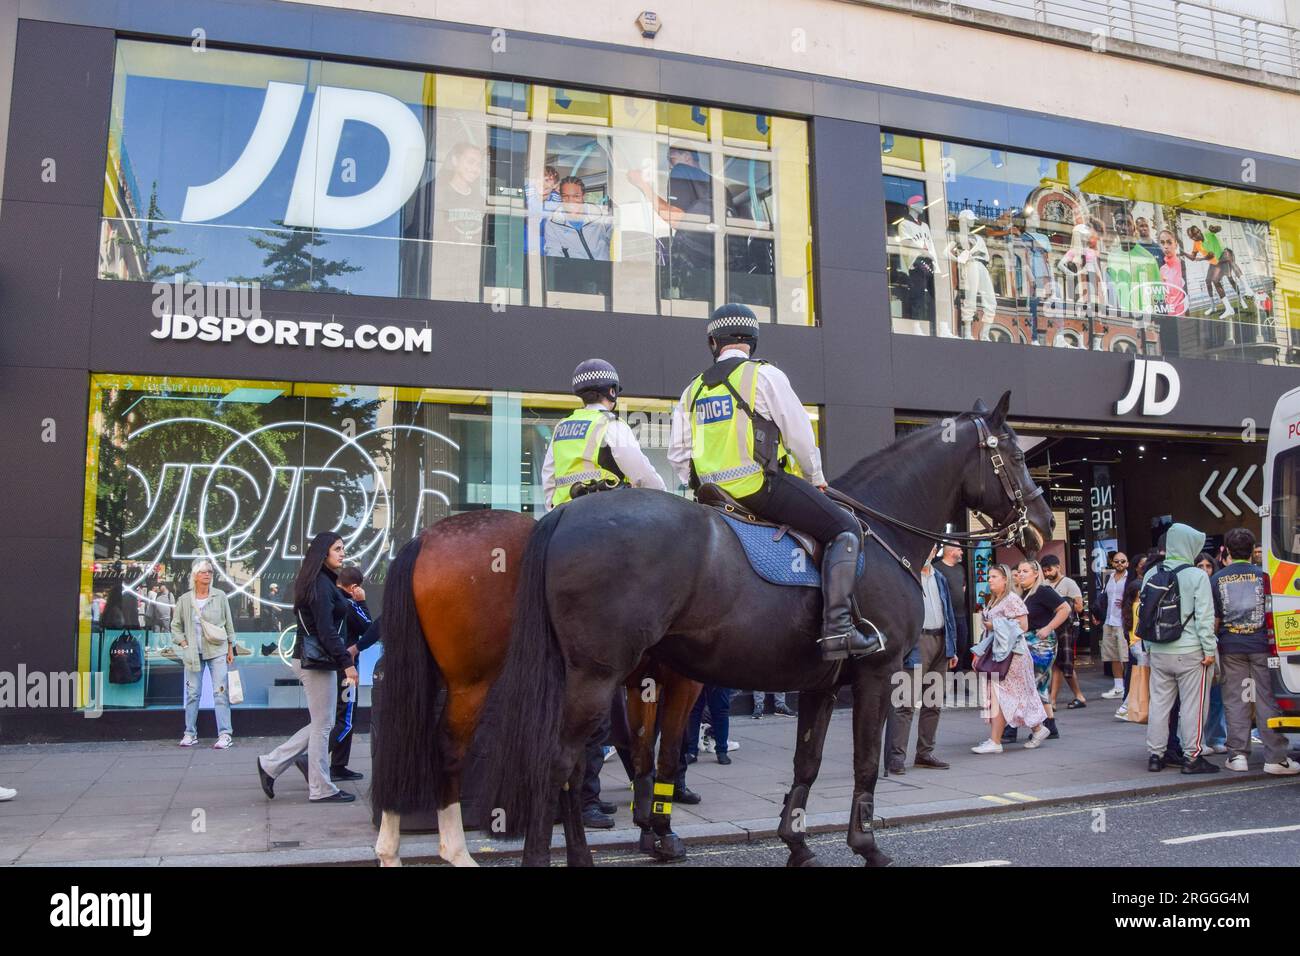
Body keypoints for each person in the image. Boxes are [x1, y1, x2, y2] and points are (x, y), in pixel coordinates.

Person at [668, 303, 884, 661]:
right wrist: (815, 478)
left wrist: (703, 482)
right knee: (844, 528)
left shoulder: (692, 391)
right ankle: (839, 629)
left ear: (713, 343)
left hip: (712, 496)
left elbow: (678, 455)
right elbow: (798, 434)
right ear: (752, 340)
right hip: (759, 489)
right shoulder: (763, 376)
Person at [257, 532, 360, 803]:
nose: (342, 553)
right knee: (324, 726)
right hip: (315, 661)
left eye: (343, 548)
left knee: (321, 724)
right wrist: (347, 664)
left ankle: (271, 764)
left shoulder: (322, 581)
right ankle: (321, 788)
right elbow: (326, 631)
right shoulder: (320, 585)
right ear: (323, 553)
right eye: (337, 549)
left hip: (315, 660)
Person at [1212, 528, 1300, 775]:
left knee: (1235, 700)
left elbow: (1215, 619)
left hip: (1230, 647)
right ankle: (1275, 758)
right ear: (1252, 552)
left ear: (1227, 551)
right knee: (1266, 699)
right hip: (1262, 645)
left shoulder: (1217, 579)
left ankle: (1237, 755)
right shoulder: (1264, 576)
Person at [1143, 522, 1219, 774]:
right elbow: (1205, 618)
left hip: (1159, 650)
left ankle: (1155, 755)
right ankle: (1192, 757)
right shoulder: (1197, 575)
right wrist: (1209, 651)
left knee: (1159, 705)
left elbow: (1144, 615)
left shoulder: (1151, 573)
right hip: (1190, 652)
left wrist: (1148, 648)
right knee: (1193, 707)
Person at [541, 359, 666, 509]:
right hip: (603, 514)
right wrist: (663, 494)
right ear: (612, 391)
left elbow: (549, 476)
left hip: (563, 514)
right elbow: (641, 472)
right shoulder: (610, 424)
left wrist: (553, 510)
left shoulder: (561, 426)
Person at [887, 545, 959, 772]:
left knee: (933, 702)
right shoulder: (907, 575)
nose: (928, 551)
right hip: (916, 642)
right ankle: (896, 757)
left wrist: (952, 648)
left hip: (940, 642)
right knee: (905, 704)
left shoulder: (939, 577)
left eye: (931, 547)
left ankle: (925, 753)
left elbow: (948, 613)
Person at [970, 565, 1050, 753]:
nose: (990, 579)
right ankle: (1035, 729)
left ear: (1005, 579)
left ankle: (996, 741)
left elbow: (1023, 625)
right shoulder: (994, 600)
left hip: (1013, 655)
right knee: (1008, 695)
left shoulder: (1012, 599)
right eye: (989, 576)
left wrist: (995, 625)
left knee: (1004, 694)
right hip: (999, 652)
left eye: (995, 576)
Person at [627, 146, 714, 304]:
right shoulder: (718, 187)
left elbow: (675, 218)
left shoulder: (682, 171)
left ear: (687, 157)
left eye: (671, 159)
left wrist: (643, 185)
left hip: (696, 270)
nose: (669, 167)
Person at [170, 558, 237, 750]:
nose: (207, 574)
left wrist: (231, 647)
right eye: (203, 571)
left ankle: (225, 734)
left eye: (210, 571)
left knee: (220, 692)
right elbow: (175, 625)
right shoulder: (185, 600)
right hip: (193, 652)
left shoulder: (220, 596)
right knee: (192, 693)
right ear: (195, 576)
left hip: (217, 650)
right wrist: (183, 643)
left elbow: (228, 623)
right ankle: (189, 733)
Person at [1015, 559, 1070, 739]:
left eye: (1025, 571)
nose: (1020, 574)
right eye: (1019, 571)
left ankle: (1031, 727)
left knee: (1033, 683)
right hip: (1026, 642)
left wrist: (1048, 628)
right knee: (1040, 684)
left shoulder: (1043, 591)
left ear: (1036, 573)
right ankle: (1050, 725)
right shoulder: (1024, 594)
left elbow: (1065, 608)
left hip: (1042, 644)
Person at [328, 566, 372, 781]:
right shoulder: (349, 604)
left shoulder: (330, 598)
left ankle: (338, 765)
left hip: (332, 665)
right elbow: (369, 628)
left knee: (338, 714)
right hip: (348, 667)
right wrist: (362, 602)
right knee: (346, 717)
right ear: (354, 587)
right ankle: (314, 756)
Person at [1194, 551, 1228, 752]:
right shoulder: (1193, 587)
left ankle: (1216, 737)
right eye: (1201, 566)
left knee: (1216, 695)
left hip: (1218, 646)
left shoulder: (1218, 586)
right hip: (1199, 647)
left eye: (1208, 566)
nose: (1205, 570)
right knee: (1198, 697)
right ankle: (1198, 739)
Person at [1041, 554, 1085, 709]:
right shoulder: (1045, 584)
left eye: (1049, 570)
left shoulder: (1069, 583)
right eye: (1044, 571)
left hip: (1068, 627)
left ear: (1058, 567)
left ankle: (1052, 700)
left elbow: (1080, 607)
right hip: (1053, 626)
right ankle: (1078, 696)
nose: (1047, 573)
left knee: (1060, 663)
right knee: (1062, 664)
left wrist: (1065, 603)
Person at [543, 176, 613, 261]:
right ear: (561, 197)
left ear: (583, 196)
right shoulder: (553, 223)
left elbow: (615, 243)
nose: (570, 201)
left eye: (576, 196)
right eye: (565, 196)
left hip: (605, 269)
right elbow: (553, 253)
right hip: (576, 271)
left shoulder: (601, 215)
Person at [933, 543, 971, 669]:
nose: (962, 552)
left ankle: (958, 684)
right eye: (959, 549)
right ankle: (945, 684)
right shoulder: (936, 568)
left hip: (961, 616)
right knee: (946, 650)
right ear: (950, 551)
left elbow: (963, 588)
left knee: (961, 647)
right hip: (946, 618)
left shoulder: (960, 568)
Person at [1099, 551, 1130, 699]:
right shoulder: (1109, 578)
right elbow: (1105, 597)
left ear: (1127, 563)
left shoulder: (1129, 579)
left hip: (1122, 622)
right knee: (1113, 655)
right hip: (1109, 620)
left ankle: (1128, 686)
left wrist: (1126, 604)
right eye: (1117, 561)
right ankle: (1118, 687)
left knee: (1125, 656)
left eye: (1123, 561)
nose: (1119, 564)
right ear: (1112, 563)